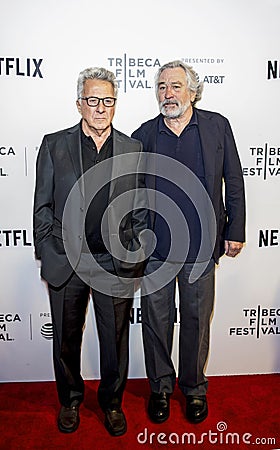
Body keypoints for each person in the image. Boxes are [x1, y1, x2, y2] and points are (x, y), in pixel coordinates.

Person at [33, 67, 147, 436]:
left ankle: (112, 403)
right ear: (79, 103)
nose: (100, 108)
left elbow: (142, 209)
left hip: (112, 263)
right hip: (67, 262)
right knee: (66, 339)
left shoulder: (133, 148)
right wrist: (49, 251)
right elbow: (43, 208)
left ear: (116, 104)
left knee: (115, 340)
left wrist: (135, 254)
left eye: (108, 101)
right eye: (93, 100)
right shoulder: (54, 144)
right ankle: (70, 399)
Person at [132, 60, 245, 424]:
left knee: (197, 321)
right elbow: (130, 193)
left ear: (193, 91)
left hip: (201, 247)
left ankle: (194, 389)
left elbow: (234, 180)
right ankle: (161, 388)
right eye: (162, 86)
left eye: (176, 86)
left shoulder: (216, 127)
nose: (168, 93)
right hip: (157, 251)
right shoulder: (144, 135)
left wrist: (236, 229)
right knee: (156, 322)